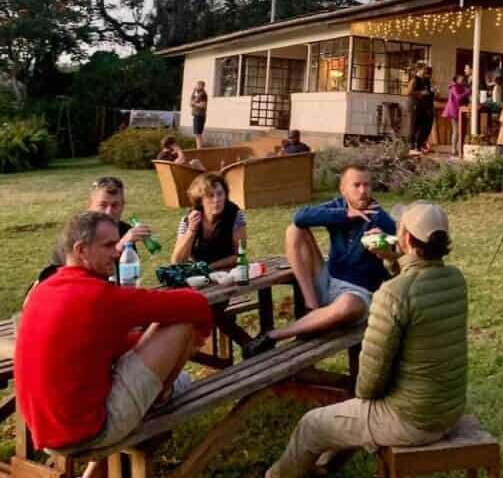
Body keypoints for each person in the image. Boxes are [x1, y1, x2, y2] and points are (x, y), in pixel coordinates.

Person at [264, 202, 467, 478]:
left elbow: (369, 382)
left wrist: (364, 399)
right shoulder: (456, 280)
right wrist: (392, 260)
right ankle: (323, 467)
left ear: (405, 238)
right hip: (447, 409)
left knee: (311, 425)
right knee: (341, 418)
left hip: (411, 419)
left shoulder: (392, 294)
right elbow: (419, 282)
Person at [15, 211, 212, 471]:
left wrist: (149, 342)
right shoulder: (98, 295)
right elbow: (195, 304)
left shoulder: (45, 289)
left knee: (163, 328)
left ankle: (165, 390)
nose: (118, 251)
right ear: (80, 249)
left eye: (118, 243)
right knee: (182, 323)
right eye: (108, 245)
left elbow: (104, 345)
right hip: (87, 433)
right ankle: (162, 396)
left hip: (47, 430)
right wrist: (199, 336)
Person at [244, 164, 397, 358]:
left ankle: (273, 335)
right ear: (343, 189)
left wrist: (385, 246)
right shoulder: (338, 207)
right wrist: (344, 216)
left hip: (357, 294)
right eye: (356, 185)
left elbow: (400, 253)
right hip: (328, 280)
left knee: (349, 306)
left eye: (367, 185)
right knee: (294, 230)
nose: (363, 191)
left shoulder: (380, 218)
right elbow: (300, 216)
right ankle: (312, 308)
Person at [171, 173, 246, 270]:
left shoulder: (235, 215)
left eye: (220, 194)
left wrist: (209, 267)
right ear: (200, 200)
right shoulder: (188, 219)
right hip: (197, 272)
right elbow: (176, 262)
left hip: (227, 270)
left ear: (225, 195)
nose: (216, 200)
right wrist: (191, 230)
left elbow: (240, 255)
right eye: (210, 195)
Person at [407, 63, 436, 155]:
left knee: (426, 125)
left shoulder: (426, 80)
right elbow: (409, 92)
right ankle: (412, 146)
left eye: (427, 70)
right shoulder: (414, 80)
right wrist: (421, 93)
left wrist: (433, 92)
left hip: (425, 106)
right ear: (419, 70)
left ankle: (419, 145)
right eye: (424, 70)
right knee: (414, 125)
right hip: (416, 105)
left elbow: (429, 92)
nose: (426, 72)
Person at [441, 73, 470, 156]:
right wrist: (467, 92)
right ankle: (454, 149)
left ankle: (457, 148)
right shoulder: (454, 87)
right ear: (456, 80)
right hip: (454, 110)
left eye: (463, 79)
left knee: (459, 130)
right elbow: (458, 97)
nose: (463, 80)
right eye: (461, 79)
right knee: (456, 130)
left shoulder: (461, 87)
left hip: (458, 109)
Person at [190, 81, 208, 148]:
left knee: (198, 134)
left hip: (199, 115)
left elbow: (203, 105)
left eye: (197, 85)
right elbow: (191, 101)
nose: (196, 86)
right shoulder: (198, 95)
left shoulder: (203, 94)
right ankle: (200, 148)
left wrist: (194, 104)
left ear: (201, 86)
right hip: (197, 115)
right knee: (198, 134)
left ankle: (199, 149)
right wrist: (193, 91)